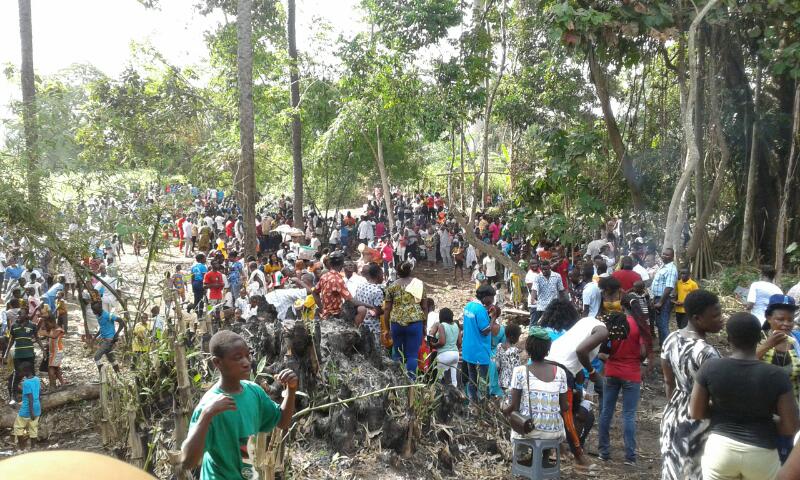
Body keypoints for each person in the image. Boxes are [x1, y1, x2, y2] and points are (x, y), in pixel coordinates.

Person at [690, 312, 799, 480]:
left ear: (728, 338)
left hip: (720, 450)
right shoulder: (777, 375)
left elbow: (696, 412)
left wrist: (724, 412)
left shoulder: (710, 367)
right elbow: (790, 427)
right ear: (758, 338)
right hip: (761, 453)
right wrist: (766, 418)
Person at [180, 330, 298, 479]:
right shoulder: (209, 406)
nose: (246, 363)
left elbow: (282, 421)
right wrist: (206, 416)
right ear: (217, 362)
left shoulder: (254, 392)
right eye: (238, 358)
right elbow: (187, 462)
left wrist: (292, 390)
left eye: (248, 356)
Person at [660, 290, 724, 480]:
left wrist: (674, 406)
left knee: (672, 469)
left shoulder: (671, 339)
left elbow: (668, 381)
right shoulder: (707, 353)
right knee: (694, 472)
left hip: (673, 414)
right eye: (715, 315)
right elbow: (718, 394)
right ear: (697, 318)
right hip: (699, 419)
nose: (721, 319)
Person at [501, 327, 568, 457]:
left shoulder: (520, 371)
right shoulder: (560, 371)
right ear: (548, 349)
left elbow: (514, 407)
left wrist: (504, 408)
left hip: (530, 429)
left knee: (516, 424)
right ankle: (545, 457)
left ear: (528, 348)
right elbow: (564, 407)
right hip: (555, 431)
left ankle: (520, 460)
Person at [598, 307, 646, 466]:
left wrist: (612, 359)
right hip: (632, 374)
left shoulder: (613, 324)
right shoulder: (638, 324)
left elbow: (601, 353)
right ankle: (630, 457)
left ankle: (603, 452)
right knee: (629, 415)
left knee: (606, 411)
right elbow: (643, 352)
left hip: (612, 372)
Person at [384, 262, 425, 376]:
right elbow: (424, 306)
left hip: (397, 323)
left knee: (397, 354)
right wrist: (424, 325)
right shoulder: (419, 284)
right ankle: (411, 383)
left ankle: (398, 380)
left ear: (397, 272)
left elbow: (387, 309)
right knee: (412, 355)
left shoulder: (392, 286)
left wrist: (387, 328)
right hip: (415, 323)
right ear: (410, 271)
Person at [462, 284, 500, 402]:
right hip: (480, 351)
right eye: (492, 297)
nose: (493, 300)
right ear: (485, 297)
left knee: (472, 378)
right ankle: (483, 404)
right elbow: (485, 331)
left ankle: (473, 402)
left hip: (468, 350)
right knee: (483, 380)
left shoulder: (469, 306)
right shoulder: (480, 310)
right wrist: (494, 317)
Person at [2, 309, 43, 404]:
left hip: (29, 354)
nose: (18, 316)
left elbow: (37, 338)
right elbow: (11, 341)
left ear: (26, 316)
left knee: (32, 375)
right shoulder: (14, 326)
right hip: (18, 355)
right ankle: (13, 397)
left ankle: (36, 396)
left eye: (20, 314)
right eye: (18, 314)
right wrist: (5, 354)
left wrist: (43, 350)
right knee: (17, 374)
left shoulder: (32, 325)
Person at [353, 264, 385, 348]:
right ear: (378, 275)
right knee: (374, 351)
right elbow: (377, 311)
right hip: (372, 327)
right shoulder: (378, 291)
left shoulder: (361, 285)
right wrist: (385, 310)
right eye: (382, 274)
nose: (383, 277)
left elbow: (355, 301)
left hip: (361, 324)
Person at [651, 247, 678, 346]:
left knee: (663, 324)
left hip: (664, 300)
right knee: (659, 323)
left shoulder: (671, 269)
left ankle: (669, 348)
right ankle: (663, 345)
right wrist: (655, 299)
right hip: (658, 298)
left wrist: (661, 302)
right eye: (663, 254)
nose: (664, 256)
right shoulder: (663, 266)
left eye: (667, 255)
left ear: (672, 257)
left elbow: (669, 287)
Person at [92, 301, 127, 375]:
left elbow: (122, 322)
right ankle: (119, 376)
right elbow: (102, 327)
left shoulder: (108, 315)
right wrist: (95, 337)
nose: (93, 311)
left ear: (100, 308)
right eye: (93, 310)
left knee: (96, 357)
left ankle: (103, 376)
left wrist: (116, 334)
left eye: (95, 310)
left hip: (109, 341)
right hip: (104, 340)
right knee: (112, 359)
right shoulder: (98, 315)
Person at [429, 307, 461, 387]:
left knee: (440, 378)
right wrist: (454, 348)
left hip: (444, 355)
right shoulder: (456, 325)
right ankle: (456, 394)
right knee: (454, 379)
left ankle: (440, 393)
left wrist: (433, 345)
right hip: (455, 354)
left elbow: (442, 342)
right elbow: (459, 342)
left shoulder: (442, 325)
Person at [13, 363, 41, 450]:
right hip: (37, 407)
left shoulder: (26, 383)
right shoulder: (37, 379)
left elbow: (30, 398)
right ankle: (33, 447)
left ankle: (22, 448)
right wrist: (37, 408)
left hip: (27, 410)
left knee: (18, 427)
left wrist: (31, 412)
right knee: (33, 427)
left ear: (25, 371)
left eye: (20, 372)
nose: (19, 374)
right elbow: (39, 394)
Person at [530, 260, 566, 324]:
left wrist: (562, 303)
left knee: (553, 326)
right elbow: (534, 289)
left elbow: (561, 290)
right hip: (542, 307)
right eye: (542, 269)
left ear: (550, 267)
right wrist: (532, 299)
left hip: (553, 307)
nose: (543, 271)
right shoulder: (538, 277)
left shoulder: (557, 276)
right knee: (542, 327)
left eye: (546, 269)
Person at [39, 315, 67, 390]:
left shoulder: (59, 329)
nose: (47, 325)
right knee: (56, 368)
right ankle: (63, 384)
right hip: (52, 351)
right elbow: (44, 334)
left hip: (57, 351)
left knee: (50, 368)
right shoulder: (51, 329)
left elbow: (54, 336)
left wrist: (44, 333)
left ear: (52, 322)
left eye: (48, 324)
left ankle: (52, 386)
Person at [496, 323, 522, 395]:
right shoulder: (514, 351)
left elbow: (497, 365)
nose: (518, 340)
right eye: (517, 337)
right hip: (511, 381)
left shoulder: (499, 346)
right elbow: (517, 368)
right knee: (510, 399)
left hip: (501, 380)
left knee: (505, 397)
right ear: (512, 336)